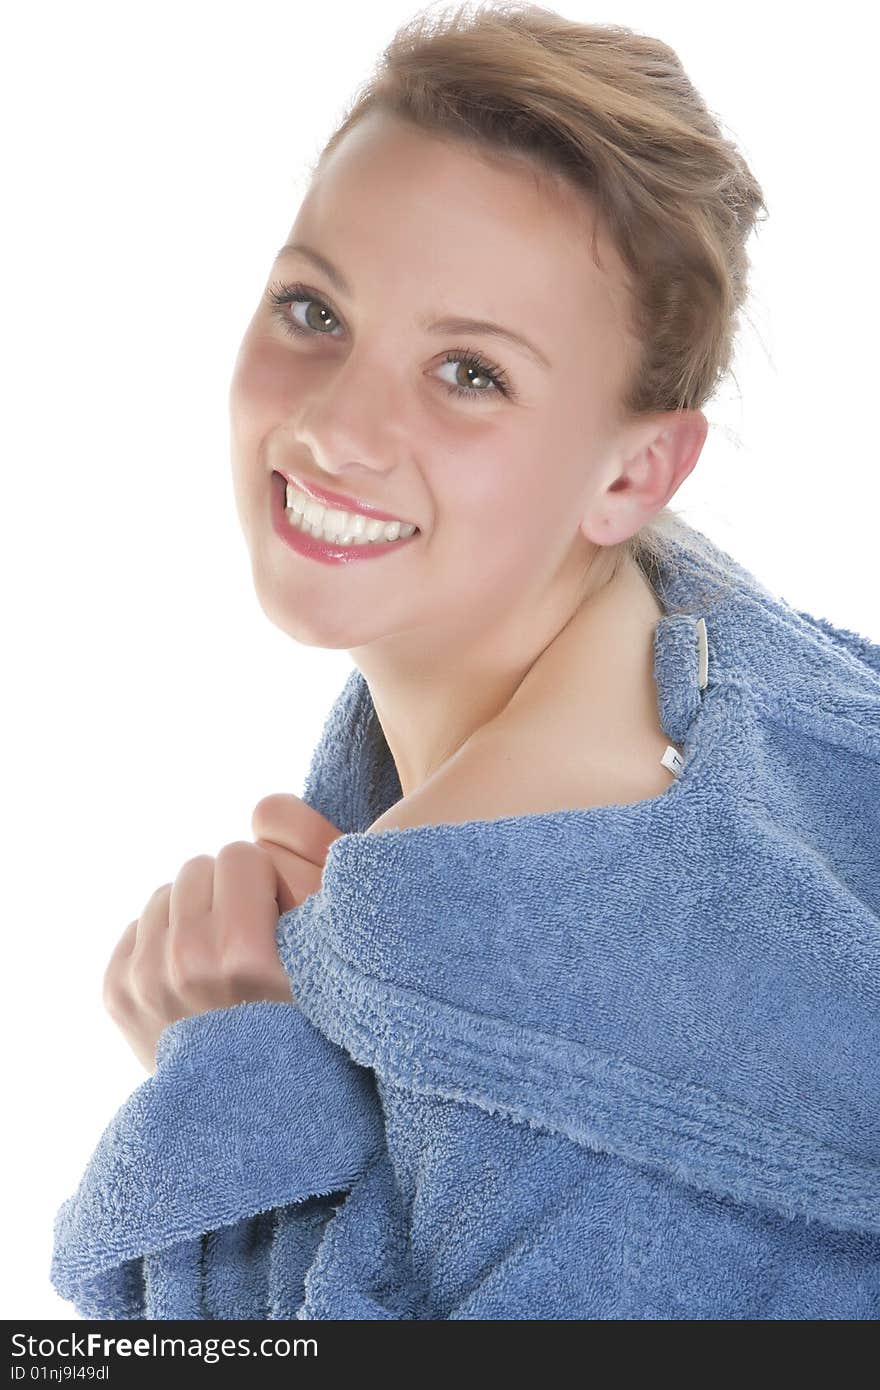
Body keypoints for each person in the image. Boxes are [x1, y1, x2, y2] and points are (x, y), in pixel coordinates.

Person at [51, 2, 880, 1320]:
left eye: (470, 373)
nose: (334, 428)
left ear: (635, 469)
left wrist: (244, 1066)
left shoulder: (559, 1052)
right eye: (315, 308)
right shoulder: (709, 660)